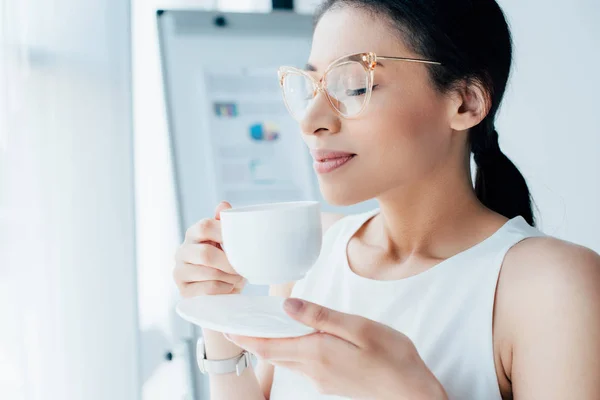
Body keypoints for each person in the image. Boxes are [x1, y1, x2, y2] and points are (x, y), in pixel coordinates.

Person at [173, 0, 600, 399]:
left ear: (466, 102)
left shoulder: (552, 286)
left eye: (354, 87)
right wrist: (219, 316)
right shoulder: (310, 258)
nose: (310, 122)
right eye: (312, 86)